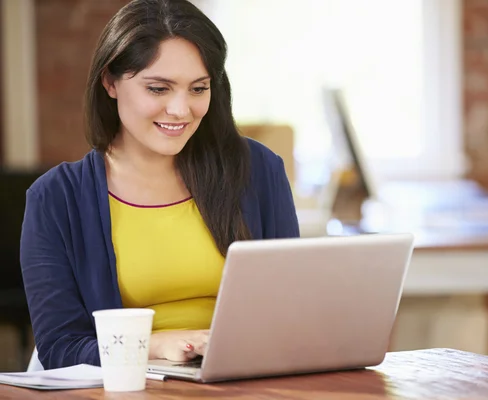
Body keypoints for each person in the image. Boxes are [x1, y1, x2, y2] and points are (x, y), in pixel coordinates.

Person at [20, 0, 299, 370]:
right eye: (158, 89)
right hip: (130, 384)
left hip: (246, 377)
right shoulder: (56, 198)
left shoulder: (258, 169)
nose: (181, 110)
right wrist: (152, 345)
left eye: (198, 89)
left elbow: (292, 309)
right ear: (110, 82)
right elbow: (61, 348)